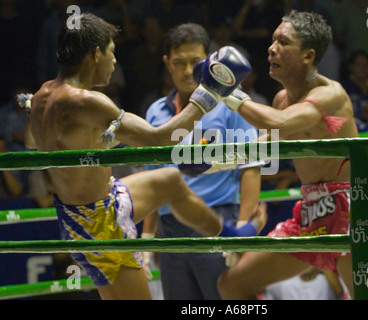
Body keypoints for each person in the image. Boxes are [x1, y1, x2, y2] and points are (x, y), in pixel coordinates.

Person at [23, 13, 266, 300]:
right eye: (112, 53)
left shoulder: (41, 96)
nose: (115, 62)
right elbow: (160, 138)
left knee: (170, 180)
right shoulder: (87, 101)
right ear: (96, 54)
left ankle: (231, 236)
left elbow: (32, 142)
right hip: (101, 223)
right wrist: (208, 93)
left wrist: (95, 141)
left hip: (85, 210)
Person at [202, 10, 359, 299]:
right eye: (273, 40)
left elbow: (278, 122)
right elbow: (264, 144)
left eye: (283, 42)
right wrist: (211, 162)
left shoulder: (330, 95)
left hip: (352, 210)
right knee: (232, 284)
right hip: (311, 210)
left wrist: (228, 91)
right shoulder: (282, 100)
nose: (272, 48)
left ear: (308, 56)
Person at [142, 23, 263, 300]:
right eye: (178, 62)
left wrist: (242, 232)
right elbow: (153, 180)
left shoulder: (231, 104)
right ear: (166, 63)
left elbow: (251, 166)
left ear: (208, 61)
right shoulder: (155, 112)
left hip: (218, 223)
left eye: (194, 62)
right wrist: (147, 241)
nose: (187, 71)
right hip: (171, 230)